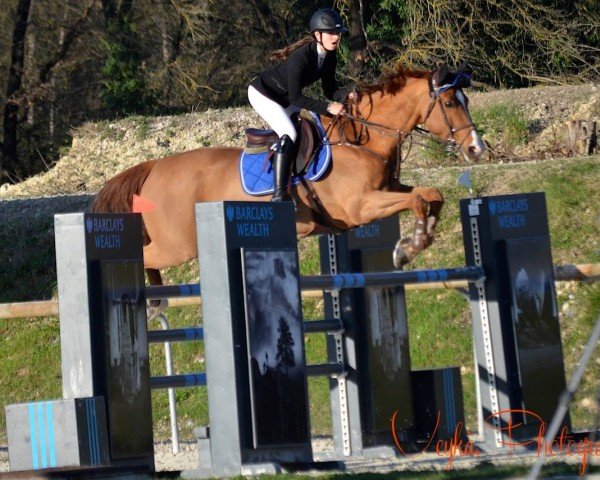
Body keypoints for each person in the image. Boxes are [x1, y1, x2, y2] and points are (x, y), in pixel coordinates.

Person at [248, 8, 352, 201]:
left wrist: (348, 95)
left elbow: (330, 90)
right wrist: (328, 107)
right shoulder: (300, 58)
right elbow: (296, 98)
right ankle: (279, 194)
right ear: (318, 35)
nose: (336, 37)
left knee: (308, 130)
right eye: (332, 33)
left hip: (284, 98)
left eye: (338, 33)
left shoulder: (329, 57)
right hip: (263, 94)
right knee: (290, 132)